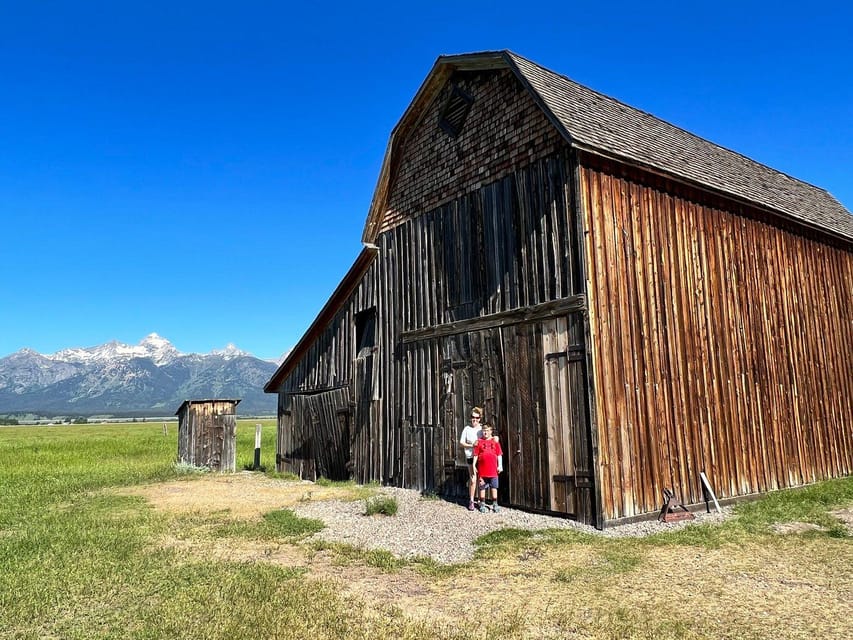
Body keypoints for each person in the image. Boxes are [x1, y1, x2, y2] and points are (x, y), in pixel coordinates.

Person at [473, 422, 503, 512]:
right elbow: (476, 454)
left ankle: (495, 504)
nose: (485, 432)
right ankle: (482, 504)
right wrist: (474, 465)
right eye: (483, 431)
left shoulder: (495, 441)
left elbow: (499, 454)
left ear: (491, 431)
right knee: (482, 488)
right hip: (482, 471)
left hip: (493, 471)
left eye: (487, 430)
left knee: (494, 487)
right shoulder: (479, 442)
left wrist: (500, 466)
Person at [459, 406, 484, 511]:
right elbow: (461, 443)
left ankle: (481, 501)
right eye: (473, 417)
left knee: (481, 479)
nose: (475, 419)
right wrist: (471, 446)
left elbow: (489, 437)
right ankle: (471, 501)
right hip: (470, 456)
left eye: (477, 418)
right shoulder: (467, 429)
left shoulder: (482, 429)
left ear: (480, 418)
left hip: (481, 457)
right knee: (473, 479)